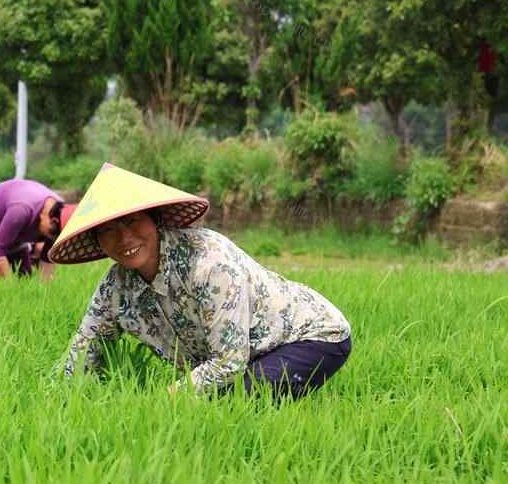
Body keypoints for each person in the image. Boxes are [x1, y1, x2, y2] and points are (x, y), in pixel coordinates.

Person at [50, 163, 352, 400]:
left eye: (132, 221)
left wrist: (164, 399)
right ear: (98, 242)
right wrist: (52, 400)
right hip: (246, 358)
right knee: (213, 399)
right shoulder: (114, 289)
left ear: (154, 219)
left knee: (229, 405)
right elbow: (82, 356)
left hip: (311, 337)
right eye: (108, 230)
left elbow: (227, 364)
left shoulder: (209, 261)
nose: (124, 238)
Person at [0, 179, 71, 282]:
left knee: (25, 277)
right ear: (53, 222)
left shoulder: (62, 213)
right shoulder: (21, 211)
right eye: (49, 237)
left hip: (14, 227)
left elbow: (47, 258)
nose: (45, 239)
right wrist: (9, 286)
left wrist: (45, 291)